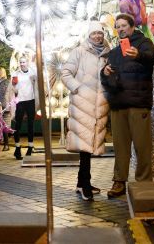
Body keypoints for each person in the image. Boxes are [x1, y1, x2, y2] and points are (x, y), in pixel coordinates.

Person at [101, 13, 154, 198]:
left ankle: (144, 182)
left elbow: (152, 58)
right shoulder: (115, 52)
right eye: (117, 26)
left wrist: (139, 55)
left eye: (124, 25)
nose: (120, 29)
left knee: (142, 147)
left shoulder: (143, 43)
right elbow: (108, 79)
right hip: (119, 105)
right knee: (120, 147)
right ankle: (119, 181)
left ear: (132, 27)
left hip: (138, 104)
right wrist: (105, 72)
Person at [61, 21, 111, 201]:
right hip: (83, 103)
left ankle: (81, 183)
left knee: (90, 145)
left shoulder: (107, 52)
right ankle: (85, 184)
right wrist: (78, 89)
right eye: (94, 34)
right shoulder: (79, 51)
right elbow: (65, 73)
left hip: (99, 104)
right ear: (88, 35)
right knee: (85, 146)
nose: (97, 36)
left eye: (100, 33)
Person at [11, 56, 38, 160]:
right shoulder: (16, 73)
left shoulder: (32, 72)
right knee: (18, 125)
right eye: (20, 62)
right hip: (20, 101)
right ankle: (17, 148)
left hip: (30, 100)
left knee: (30, 124)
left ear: (27, 63)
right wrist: (14, 85)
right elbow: (14, 88)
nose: (22, 64)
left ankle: (30, 147)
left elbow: (38, 79)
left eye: (24, 62)